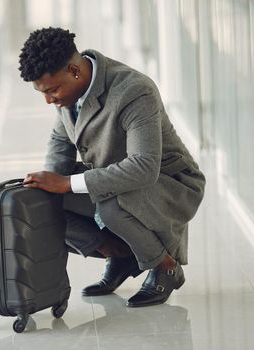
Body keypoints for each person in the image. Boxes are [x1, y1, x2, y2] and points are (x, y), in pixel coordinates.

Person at [19, 27, 205, 307]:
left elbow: (144, 167)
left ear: (75, 71)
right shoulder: (67, 96)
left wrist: (68, 184)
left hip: (170, 184)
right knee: (43, 204)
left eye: (53, 90)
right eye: (43, 93)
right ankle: (119, 255)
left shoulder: (133, 90)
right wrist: (49, 189)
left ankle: (165, 267)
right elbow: (60, 144)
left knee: (110, 203)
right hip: (117, 181)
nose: (49, 100)